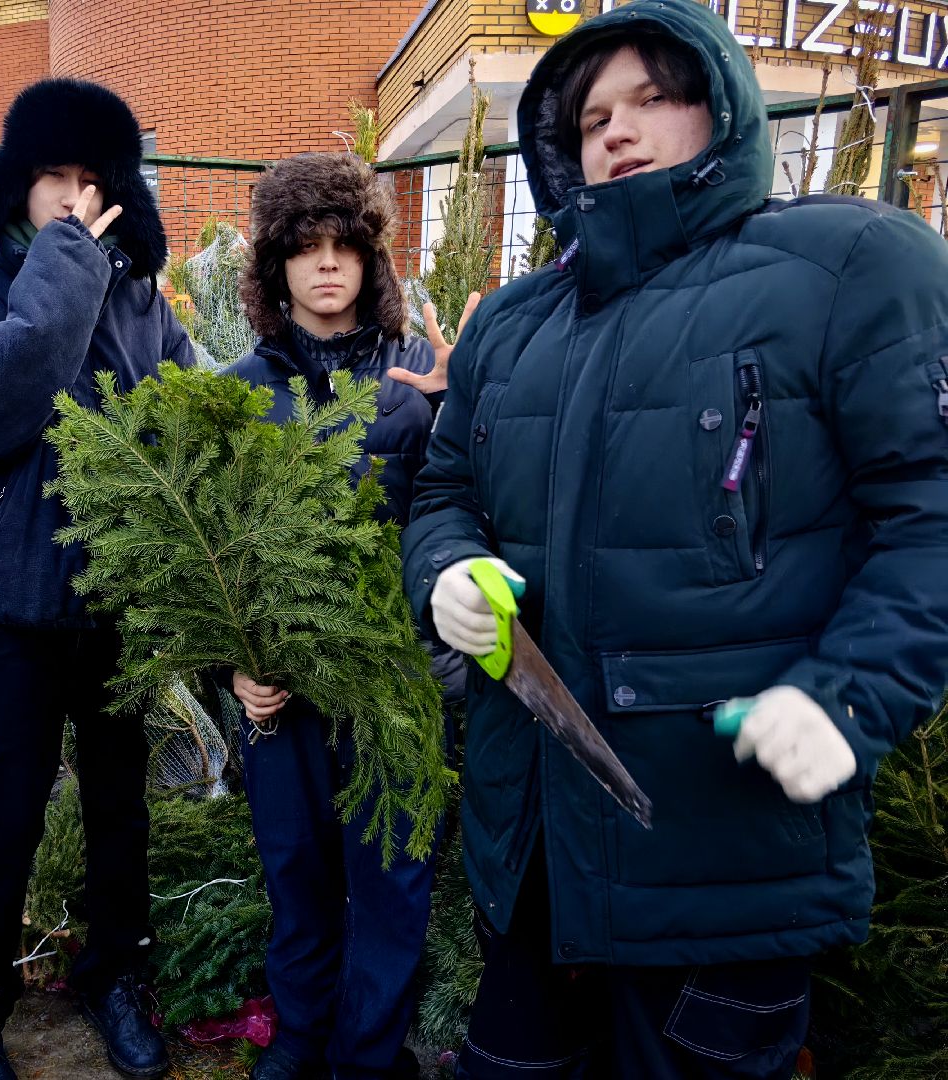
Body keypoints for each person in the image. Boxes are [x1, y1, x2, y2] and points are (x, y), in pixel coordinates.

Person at [401, 2, 948, 1077]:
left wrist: (850, 696)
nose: (616, 128)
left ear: (724, 106)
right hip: (534, 850)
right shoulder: (514, 324)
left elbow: (927, 518)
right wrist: (445, 571)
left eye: (655, 97)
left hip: (720, 855)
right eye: (592, 113)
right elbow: (445, 486)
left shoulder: (848, 268)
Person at [0, 78, 195, 1080]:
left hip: (116, 600)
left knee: (123, 806)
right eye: (54, 179)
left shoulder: (143, 306)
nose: (74, 198)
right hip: (16, 605)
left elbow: (190, 421)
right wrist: (74, 261)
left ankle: (116, 974)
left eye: (92, 179)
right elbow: (1, 399)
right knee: (9, 809)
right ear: (15, 185)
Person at [226, 151, 468, 1080]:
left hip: (399, 683)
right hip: (282, 697)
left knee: (393, 884)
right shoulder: (241, 387)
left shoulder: (419, 375)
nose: (327, 264)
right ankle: (296, 1043)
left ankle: (366, 1059)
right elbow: (217, 550)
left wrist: (460, 410)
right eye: (305, 246)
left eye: (344, 246)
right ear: (277, 264)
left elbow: (464, 507)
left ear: (370, 259)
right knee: (297, 877)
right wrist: (233, 667)